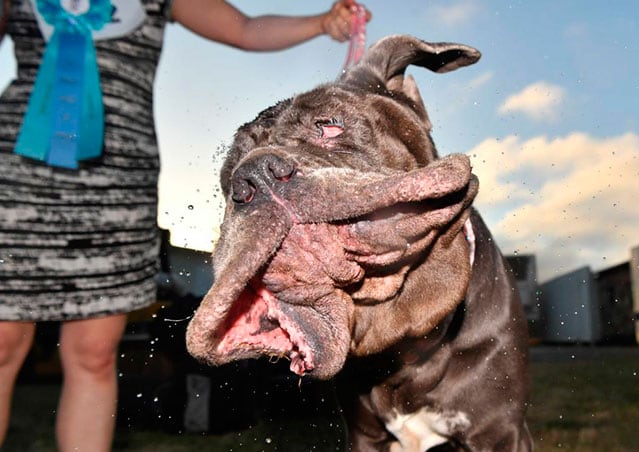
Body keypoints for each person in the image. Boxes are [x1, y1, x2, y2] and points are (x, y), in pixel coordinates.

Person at [0, 0, 371, 449]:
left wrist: (320, 22)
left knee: (94, 353)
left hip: (118, 183)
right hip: (17, 176)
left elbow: (245, 27)